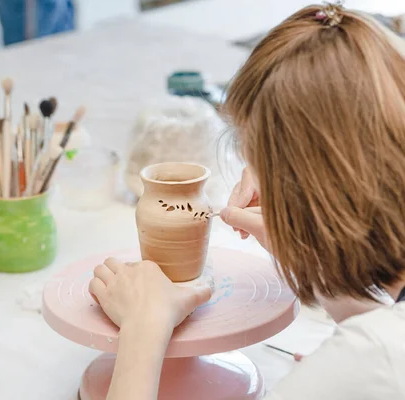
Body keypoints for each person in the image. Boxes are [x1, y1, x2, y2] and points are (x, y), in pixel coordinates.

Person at [88, 3, 405, 399]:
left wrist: (142, 331)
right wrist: (312, 254)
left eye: (259, 165)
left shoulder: (372, 358)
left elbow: (376, 352)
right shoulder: (377, 345)